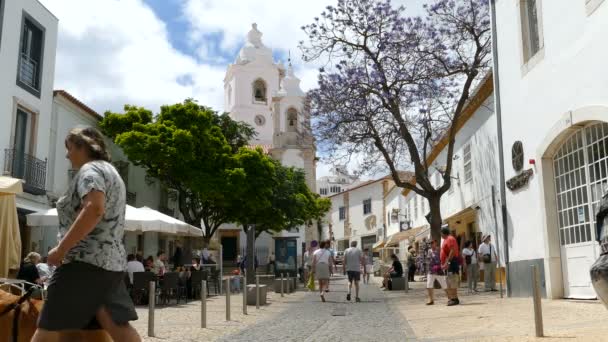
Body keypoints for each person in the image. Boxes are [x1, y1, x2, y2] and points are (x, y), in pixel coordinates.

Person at [32, 127, 140, 342]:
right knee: (114, 327)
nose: (67, 154)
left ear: (83, 147)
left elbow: (94, 209)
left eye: (70, 148)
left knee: (47, 331)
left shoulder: (89, 171)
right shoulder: (111, 172)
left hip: (82, 263)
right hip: (112, 265)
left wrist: (61, 249)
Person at [441, 227, 461, 306]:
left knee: (452, 280)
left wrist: (448, 262)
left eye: (441, 233)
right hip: (449, 262)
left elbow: (452, 250)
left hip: (452, 262)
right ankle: (452, 298)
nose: (441, 235)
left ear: (443, 233)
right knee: (449, 280)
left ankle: (455, 299)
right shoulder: (446, 239)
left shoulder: (450, 239)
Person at [425, 240, 447, 305]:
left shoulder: (439, 250)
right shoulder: (429, 251)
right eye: (430, 243)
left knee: (444, 285)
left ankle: (450, 297)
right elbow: (428, 260)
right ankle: (431, 300)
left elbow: (444, 258)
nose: (431, 245)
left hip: (438, 270)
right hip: (431, 270)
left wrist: (443, 265)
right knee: (429, 285)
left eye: (432, 243)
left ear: (436, 243)